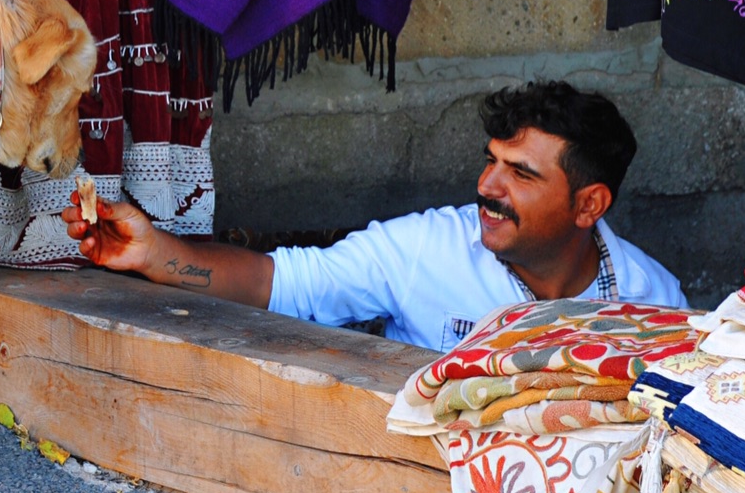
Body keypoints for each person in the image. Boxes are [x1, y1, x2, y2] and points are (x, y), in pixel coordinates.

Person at [62, 80, 686, 352]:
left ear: (589, 204)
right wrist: (152, 252)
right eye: (492, 161)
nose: (488, 187)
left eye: (522, 174)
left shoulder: (654, 302)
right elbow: (285, 285)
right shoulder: (422, 248)